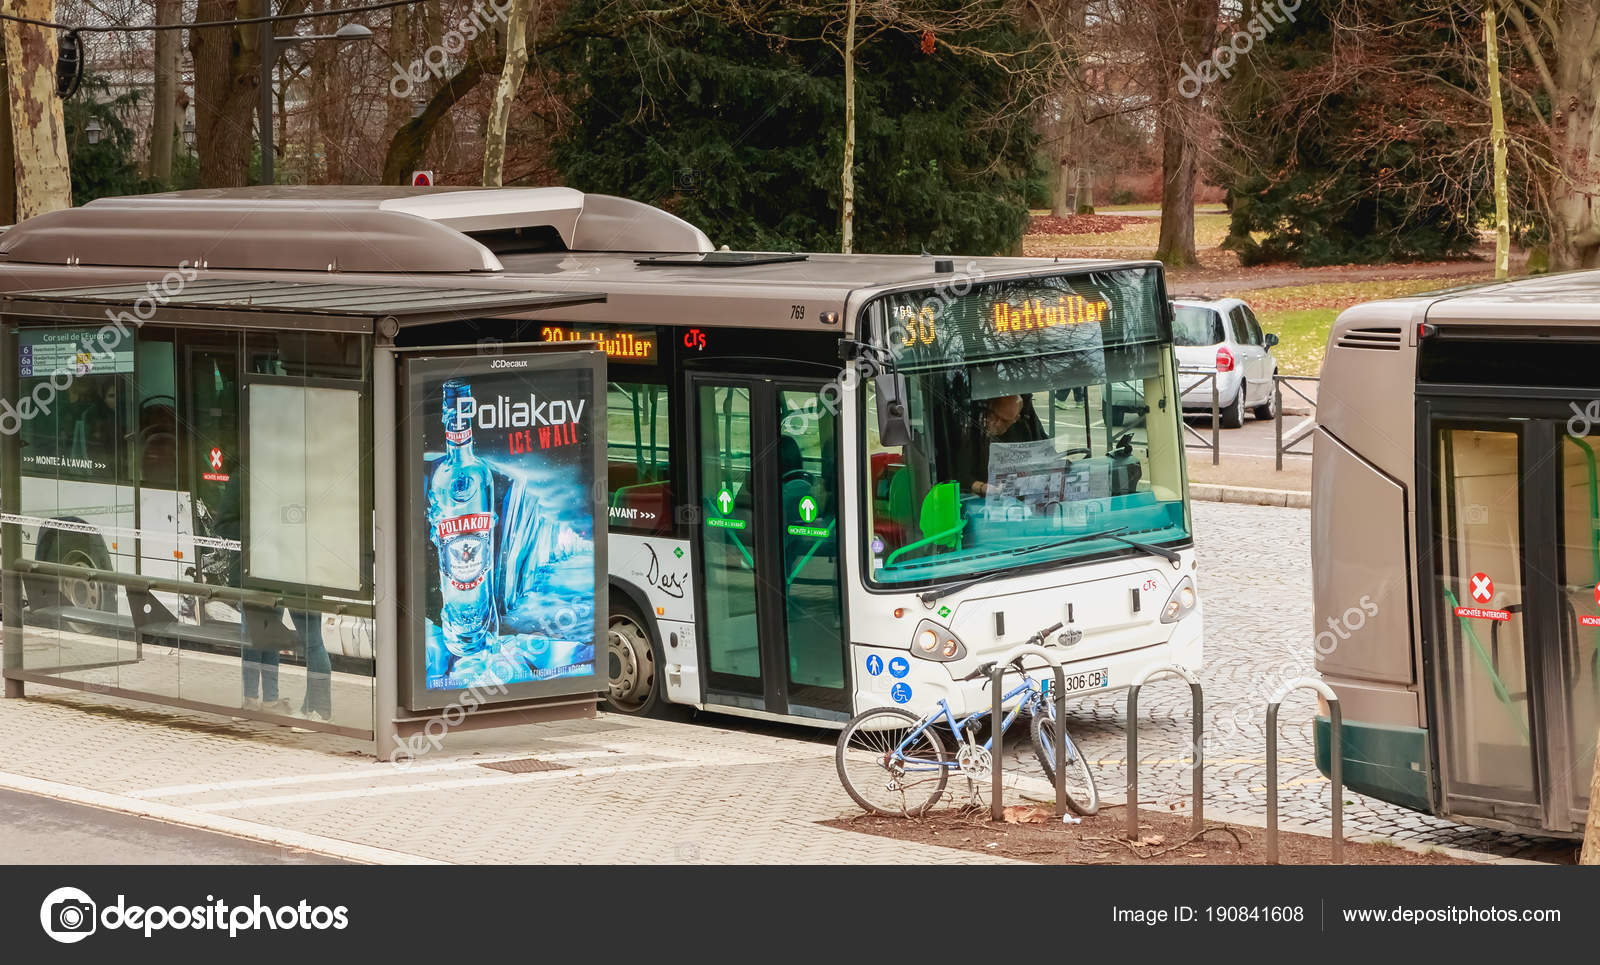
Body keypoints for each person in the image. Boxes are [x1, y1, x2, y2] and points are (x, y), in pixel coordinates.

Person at [953, 394, 1046, 496]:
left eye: (1004, 421)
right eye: (994, 415)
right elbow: (959, 473)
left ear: (1016, 418)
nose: (996, 423)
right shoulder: (972, 431)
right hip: (978, 496)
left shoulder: (1022, 431)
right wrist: (983, 487)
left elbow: (1038, 459)